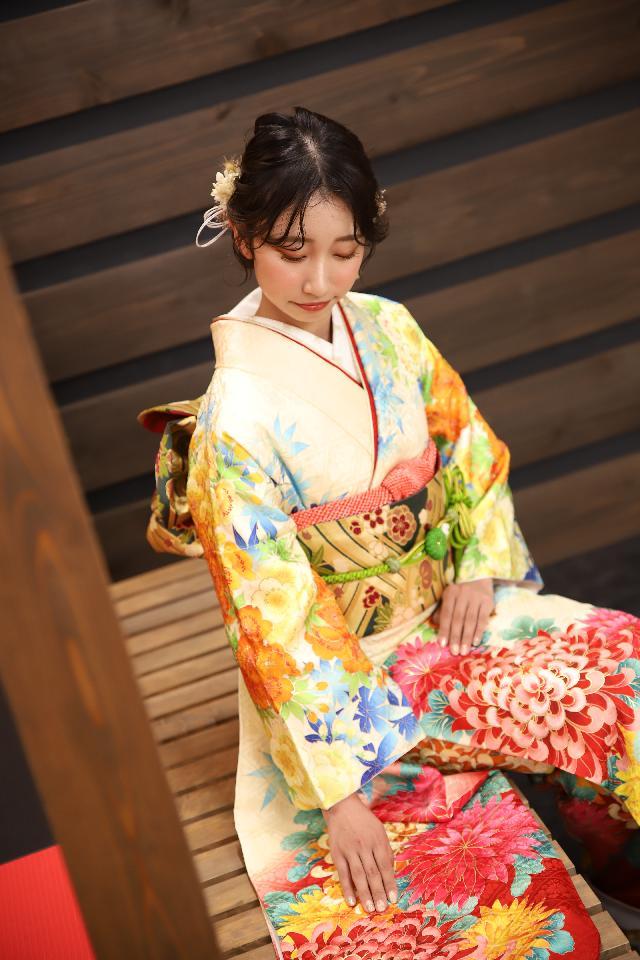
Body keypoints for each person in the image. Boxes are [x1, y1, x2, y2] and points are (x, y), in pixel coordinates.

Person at [138, 106, 640, 958]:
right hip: (348, 676)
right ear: (243, 235)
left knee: (626, 671)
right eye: (291, 251)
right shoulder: (236, 421)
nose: (320, 279)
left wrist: (476, 563)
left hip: (453, 614)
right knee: (468, 911)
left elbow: (465, 441)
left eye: (346, 251)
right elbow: (273, 620)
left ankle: (620, 869)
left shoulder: (389, 326)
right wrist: (338, 796)